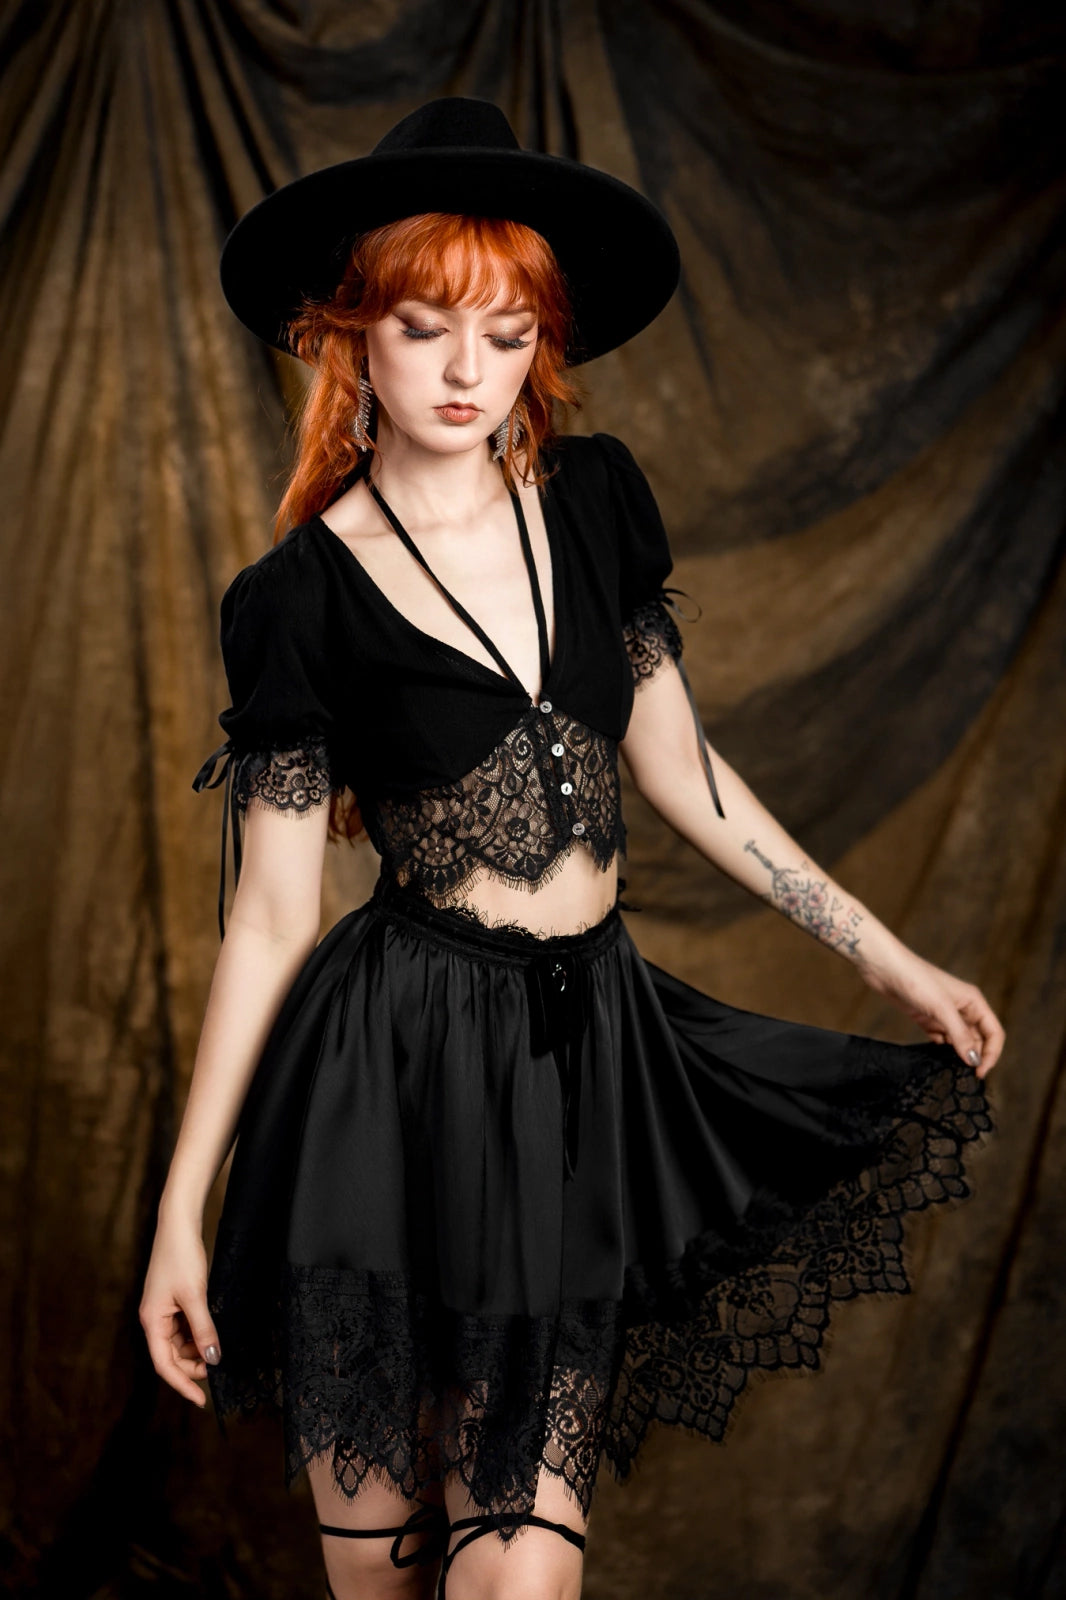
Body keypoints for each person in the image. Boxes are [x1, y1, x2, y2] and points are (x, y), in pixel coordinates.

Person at [139, 98, 1002, 1600]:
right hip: (386, 1077)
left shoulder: (597, 506)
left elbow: (686, 777)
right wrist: (178, 1211)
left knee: (520, 1571)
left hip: (578, 1065)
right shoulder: (299, 597)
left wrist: (890, 959)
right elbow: (270, 919)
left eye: (507, 331)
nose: (465, 372)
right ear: (349, 333)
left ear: (542, 343)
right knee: (381, 1570)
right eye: (424, 328)